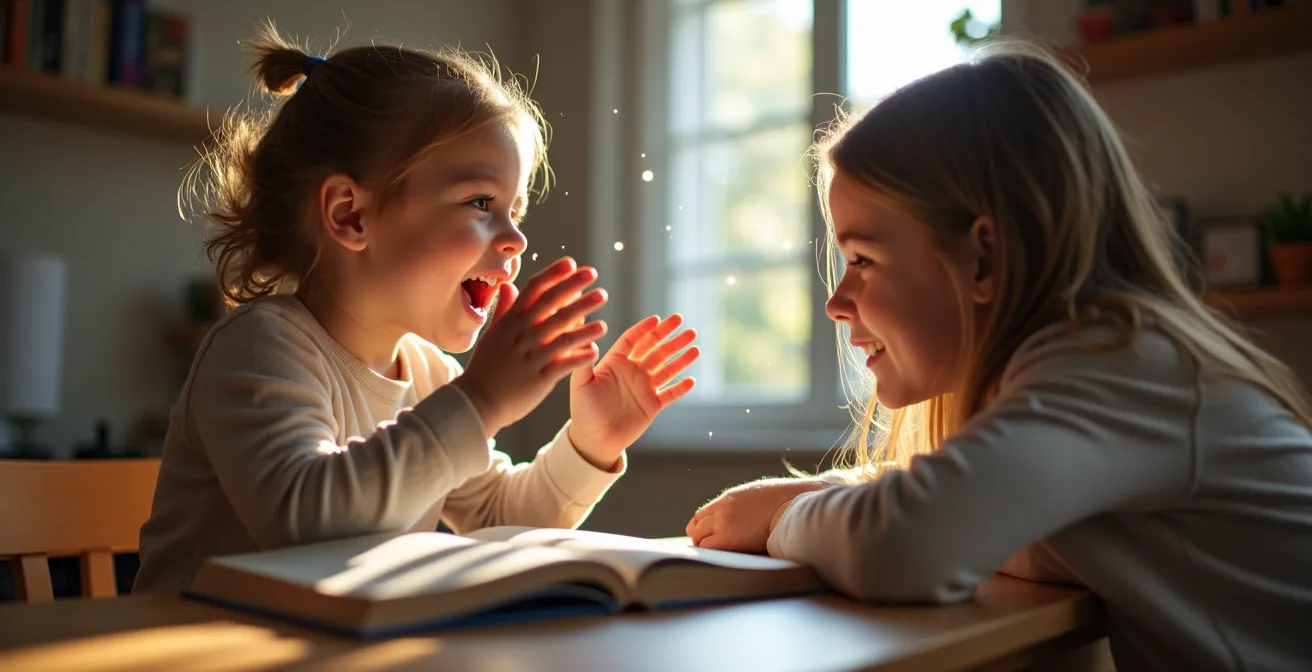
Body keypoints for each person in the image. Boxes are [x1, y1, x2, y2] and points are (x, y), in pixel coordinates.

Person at [687, 40, 1312, 670]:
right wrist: (830, 494)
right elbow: (984, 518)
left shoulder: (1118, 369)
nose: (837, 302)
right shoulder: (1109, 369)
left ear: (983, 257)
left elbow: (902, 546)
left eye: (863, 261)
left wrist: (786, 516)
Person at [136, 26, 700, 594]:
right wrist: (480, 403)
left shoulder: (430, 374)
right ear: (351, 215)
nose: (516, 240)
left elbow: (496, 516)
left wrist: (590, 443)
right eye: (482, 202)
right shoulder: (260, 349)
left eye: (516, 211)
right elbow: (303, 520)